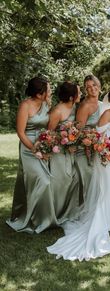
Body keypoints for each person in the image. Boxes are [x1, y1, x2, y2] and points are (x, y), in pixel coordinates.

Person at [47, 88, 110, 261]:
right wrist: (107, 149)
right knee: (105, 186)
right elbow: (97, 135)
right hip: (106, 156)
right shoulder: (106, 114)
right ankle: (104, 218)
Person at [6, 76, 56, 233]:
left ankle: (42, 217)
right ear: (39, 93)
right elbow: (20, 132)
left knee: (44, 180)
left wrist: (47, 144)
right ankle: (35, 218)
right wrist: (34, 148)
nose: (50, 91)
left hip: (43, 144)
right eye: (47, 89)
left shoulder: (46, 104)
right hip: (28, 147)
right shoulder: (25, 106)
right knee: (42, 180)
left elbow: (48, 127)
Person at [47, 81, 81, 222]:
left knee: (73, 178)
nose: (81, 94)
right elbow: (49, 134)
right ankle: (54, 213)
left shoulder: (74, 107)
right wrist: (64, 141)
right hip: (59, 151)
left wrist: (74, 140)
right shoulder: (57, 111)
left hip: (71, 150)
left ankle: (68, 212)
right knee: (60, 181)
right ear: (72, 97)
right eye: (78, 92)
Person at [75, 75, 103, 202]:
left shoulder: (103, 104)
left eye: (94, 85)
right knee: (90, 179)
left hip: (100, 148)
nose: (92, 89)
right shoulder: (84, 106)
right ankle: (86, 210)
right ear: (86, 90)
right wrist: (89, 140)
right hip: (85, 149)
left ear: (99, 85)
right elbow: (77, 131)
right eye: (88, 87)